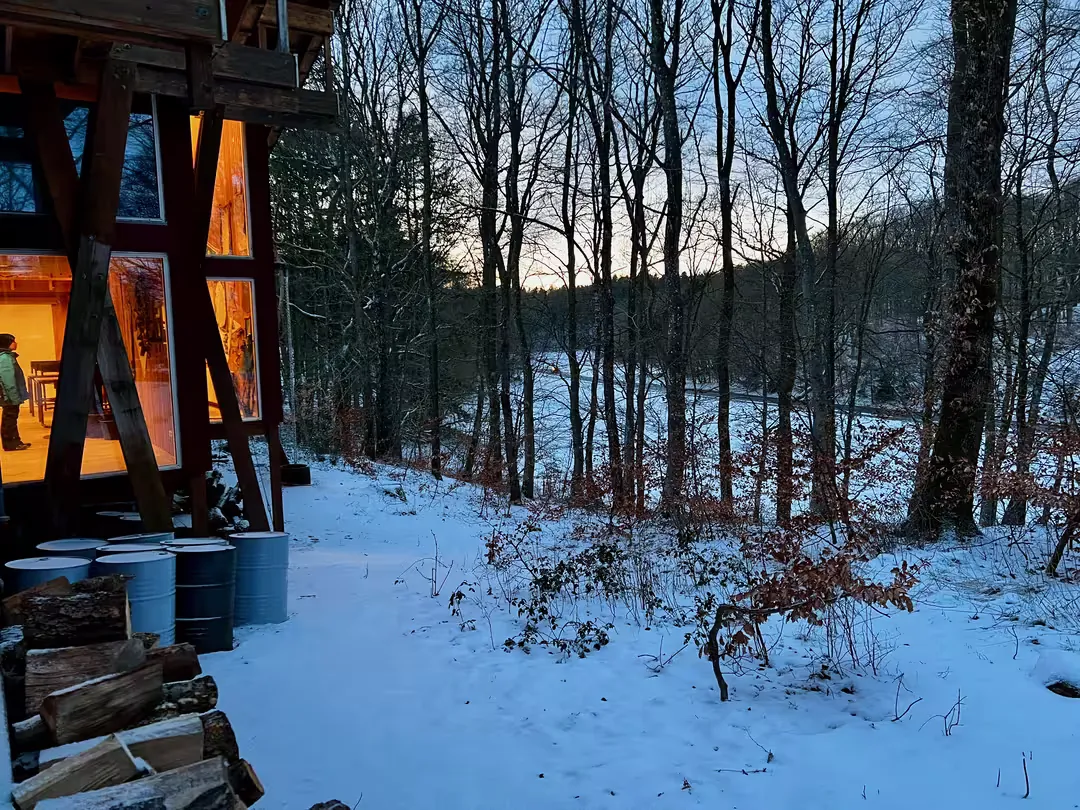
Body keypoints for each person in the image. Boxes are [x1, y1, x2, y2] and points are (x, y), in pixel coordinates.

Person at [0, 333, 30, 451]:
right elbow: (8, 380)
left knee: (11, 418)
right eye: (13, 341)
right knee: (10, 419)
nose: (16, 343)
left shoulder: (7, 357)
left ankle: (16, 441)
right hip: (9, 396)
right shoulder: (5, 358)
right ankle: (11, 444)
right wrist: (14, 397)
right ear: (7, 343)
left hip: (9, 395)